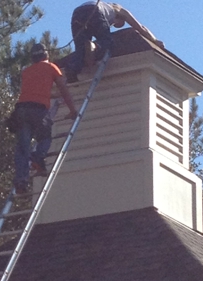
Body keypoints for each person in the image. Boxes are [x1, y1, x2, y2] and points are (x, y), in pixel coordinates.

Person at [13, 43, 78, 194]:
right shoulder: (51, 68)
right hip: (38, 110)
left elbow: (35, 92)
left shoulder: (27, 72)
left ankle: (21, 180)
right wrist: (73, 110)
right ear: (46, 55)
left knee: (23, 147)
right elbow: (64, 88)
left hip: (21, 110)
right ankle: (38, 157)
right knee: (44, 138)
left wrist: (55, 96)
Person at [66, 1, 165, 83]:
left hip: (77, 13)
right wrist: (154, 40)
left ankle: (72, 72)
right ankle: (95, 46)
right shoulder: (119, 10)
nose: (113, 25)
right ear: (120, 18)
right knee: (107, 41)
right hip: (94, 10)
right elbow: (140, 28)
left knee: (80, 49)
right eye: (117, 24)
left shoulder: (105, 8)